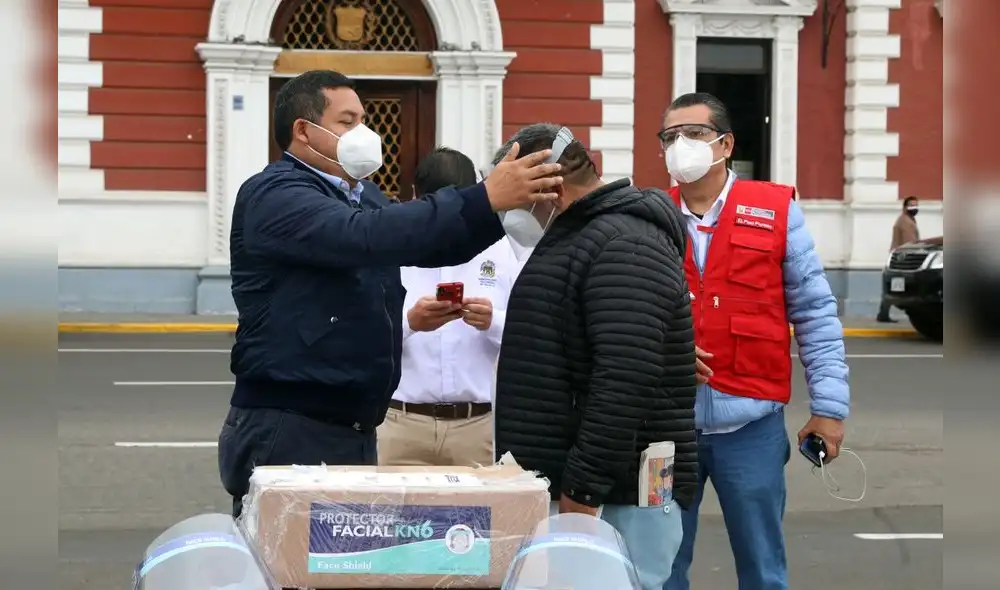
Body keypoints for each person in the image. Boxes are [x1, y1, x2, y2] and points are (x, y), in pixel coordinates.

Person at [217, 70, 564, 518]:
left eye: (364, 118)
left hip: (354, 424)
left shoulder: (361, 196)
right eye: (346, 121)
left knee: (345, 569)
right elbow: (365, 235)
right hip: (291, 423)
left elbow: (430, 243)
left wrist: (500, 211)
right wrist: (481, 197)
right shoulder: (276, 193)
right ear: (303, 130)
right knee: (289, 570)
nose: (363, 132)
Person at [492, 123, 698, 590]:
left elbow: (625, 378)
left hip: (611, 495)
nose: (508, 210)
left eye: (511, 194)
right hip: (589, 488)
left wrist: (581, 492)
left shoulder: (622, 241)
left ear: (548, 186)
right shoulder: (588, 236)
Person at [659, 92, 850, 590]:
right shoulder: (648, 215)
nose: (681, 146)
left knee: (763, 569)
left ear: (725, 144)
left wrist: (829, 407)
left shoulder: (775, 210)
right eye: (669, 137)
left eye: (694, 135)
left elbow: (814, 312)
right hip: (666, 427)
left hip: (752, 429)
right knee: (661, 569)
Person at [378, 147, 522, 467]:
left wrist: (492, 321)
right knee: (398, 518)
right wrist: (410, 322)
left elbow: (531, 331)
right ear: (416, 198)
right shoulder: (390, 247)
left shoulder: (503, 249)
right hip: (401, 423)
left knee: (477, 517)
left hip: (477, 427)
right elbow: (360, 333)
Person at [877, 195, 921, 322]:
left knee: (893, 286)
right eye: (912, 205)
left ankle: (883, 314)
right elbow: (910, 243)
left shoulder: (906, 219)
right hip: (903, 259)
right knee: (897, 286)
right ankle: (884, 314)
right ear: (905, 207)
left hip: (899, 257)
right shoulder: (905, 221)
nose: (915, 207)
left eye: (916, 205)